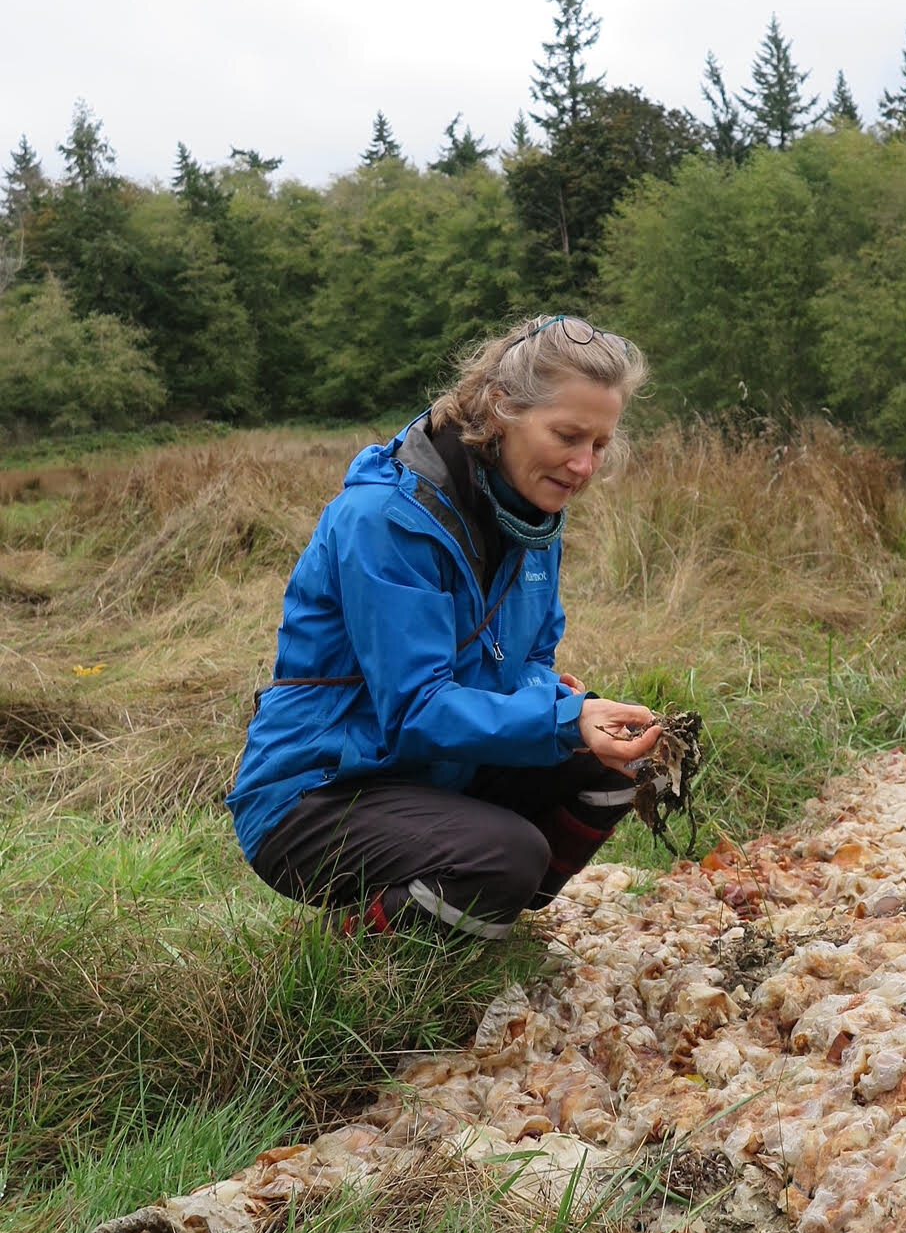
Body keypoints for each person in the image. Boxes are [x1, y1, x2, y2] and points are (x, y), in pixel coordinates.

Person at [226, 315, 661, 941]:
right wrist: (560, 721)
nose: (585, 465)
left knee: (620, 764)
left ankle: (472, 918)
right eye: (568, 435)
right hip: (313, 794)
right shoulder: (386, 519)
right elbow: (415, 709)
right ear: (501, 407)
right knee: (505, 854)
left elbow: (530, 656)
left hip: (432, 773)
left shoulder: (530, 518)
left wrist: (557, 701)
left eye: (600, 443)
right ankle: (347, 953)